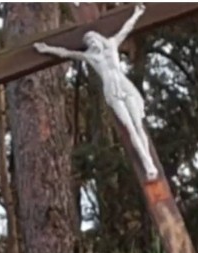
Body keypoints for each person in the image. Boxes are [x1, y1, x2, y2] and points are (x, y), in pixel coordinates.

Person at [33, 3, 159, 180]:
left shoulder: (113, 44)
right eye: (88, 42)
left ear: (99, 39)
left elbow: (126, 28)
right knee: (130, 129)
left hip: (124, 86)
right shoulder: (89, 56)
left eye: (92, 39)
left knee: (138, 126)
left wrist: (137, 13)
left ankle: (150, 162)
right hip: (112, 92)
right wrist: (46, 49)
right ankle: (148, 166)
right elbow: (65, 53)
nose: (91, 43)